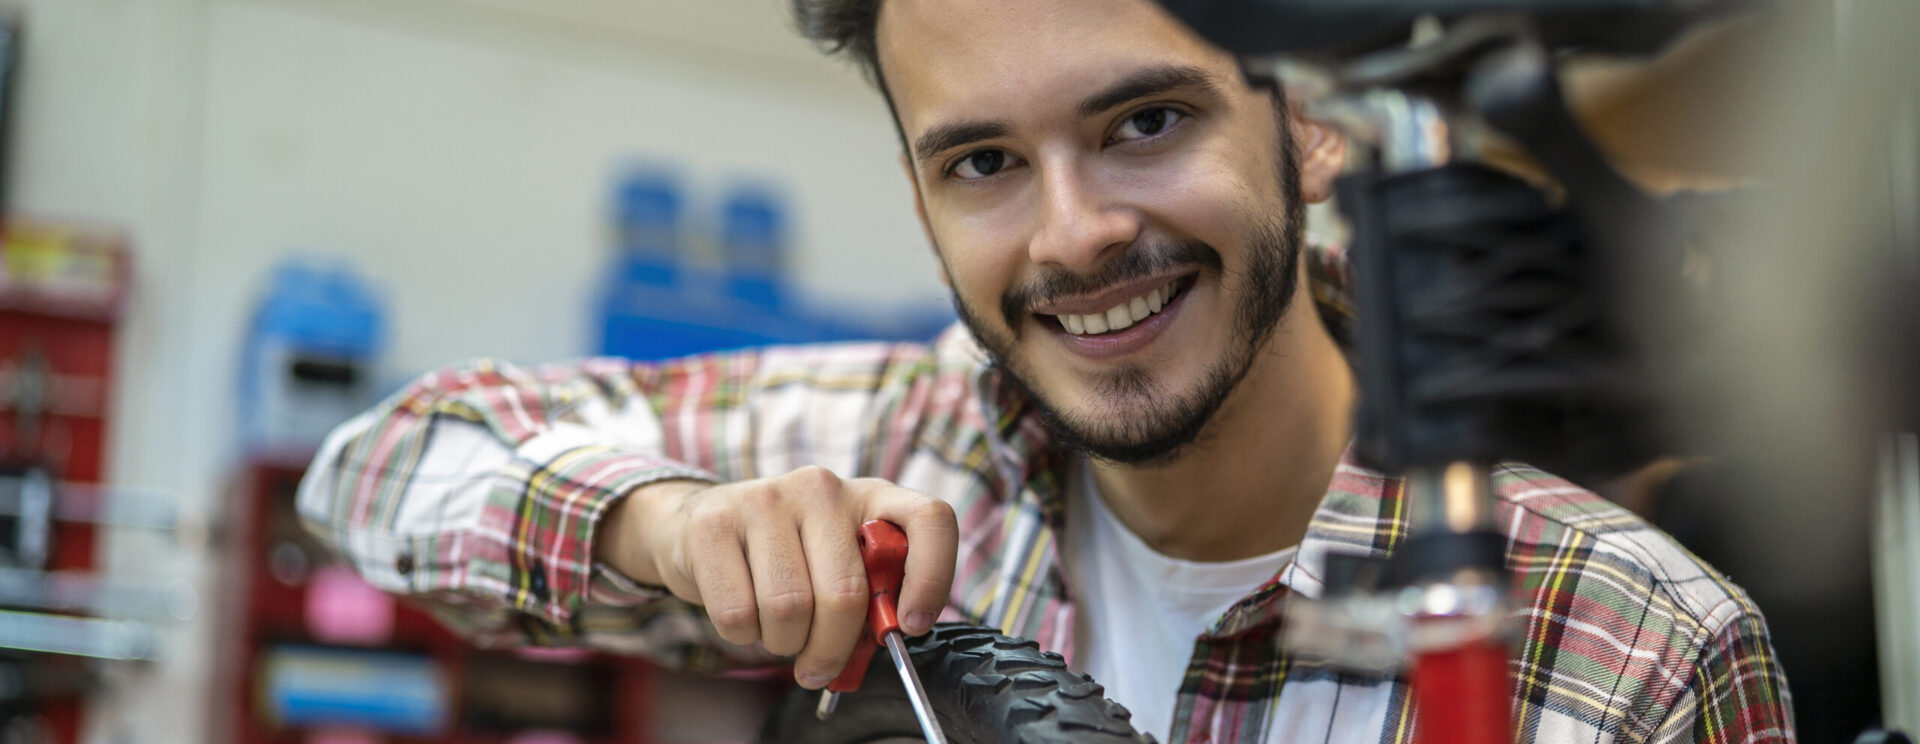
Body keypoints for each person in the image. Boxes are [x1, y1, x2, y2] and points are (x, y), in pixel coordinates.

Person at [296, 0, 1795, 740]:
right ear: (918, 199)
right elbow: (380, 468)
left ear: (1309, 126)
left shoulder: (1634, 650)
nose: (1075, 236)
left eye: (1146, 123)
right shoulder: (900, 445)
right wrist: (670, 527)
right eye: (984, 162)